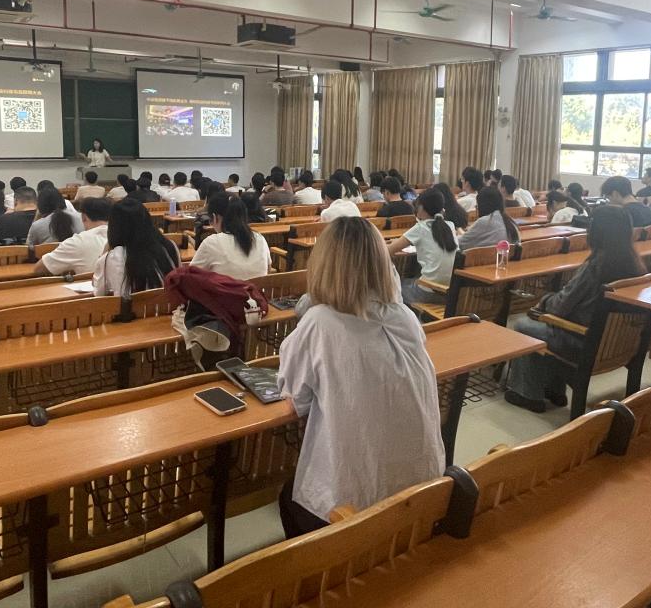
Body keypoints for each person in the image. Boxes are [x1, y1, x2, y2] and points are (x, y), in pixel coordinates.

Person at [276, 216, 444, 537]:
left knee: (290, 497)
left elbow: (295, 398)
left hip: (358, 511)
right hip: (424, 496)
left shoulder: (320, 322)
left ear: (323, 265)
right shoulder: (405, 316)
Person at [505, 206, 646, 413]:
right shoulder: (635, 265)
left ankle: (528, 394)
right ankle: (554, 390)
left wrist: (544, 302)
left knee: (523, 326)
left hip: (584, 341)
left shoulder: (595, 266)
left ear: (596, 232)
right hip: (616, 343)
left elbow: (560, 306)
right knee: (544, 325)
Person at [94, 198, 179, 296]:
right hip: (171, 305)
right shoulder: (170, 246)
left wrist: (104, 254)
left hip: (131, 306)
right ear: (148, 220)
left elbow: (99, 293)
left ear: (114, 227)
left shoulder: (112, 257)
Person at [387, 187, 458, 303]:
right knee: (414, 276)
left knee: (396, 285)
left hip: (429, 292)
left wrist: (393, 242)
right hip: (450, 293)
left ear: (421, 207)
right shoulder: (450, 226)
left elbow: (388, 250)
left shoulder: (421, 228)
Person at [190, 194, 270, 280]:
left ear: (215, 217)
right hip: (257, 289)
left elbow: (190, 276)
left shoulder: (212, 242)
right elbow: (268, 269)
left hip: (224, 289)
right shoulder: (260, 238)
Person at [35, 197, 111, 276]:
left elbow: (39, 269)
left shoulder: (77, 241)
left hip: (88, 283)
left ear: (83, 217)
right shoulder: (119, 235)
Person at [458, 186, 521, 250]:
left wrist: (458, 230)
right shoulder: (510, 222)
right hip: (505, 256)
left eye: (477, 206)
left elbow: (459, 243)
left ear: (482, 205)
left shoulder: (484, 222)